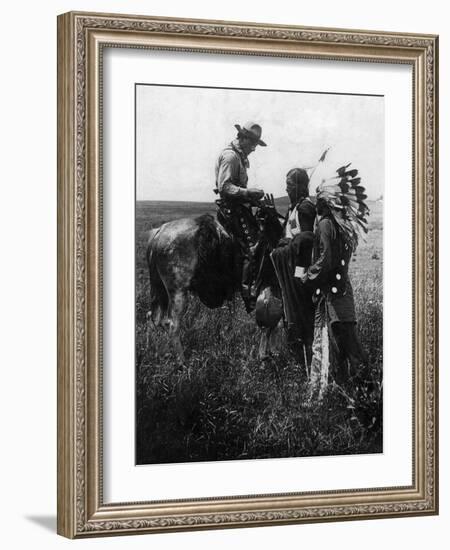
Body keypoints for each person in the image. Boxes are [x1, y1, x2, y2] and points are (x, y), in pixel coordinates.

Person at [302, 171, 369, 400]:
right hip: (340, 293)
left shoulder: (326, 225)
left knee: (347, 344)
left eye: (318, 202)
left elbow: (326, 261)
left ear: (323, 204)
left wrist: (308, 275)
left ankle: (367, 392)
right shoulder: (339, 226)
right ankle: (350, 393)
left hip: (335, 297)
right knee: (342, 345)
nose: (315, 206)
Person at [215, 121, 267, 312]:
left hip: (238, 207)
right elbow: (224, 187)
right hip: (231, 209)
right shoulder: (231, 157)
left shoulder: (239, 156)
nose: (254, 148)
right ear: (243, 138)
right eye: (252, 143)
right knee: (252, 246)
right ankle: (248, 295)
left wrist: (252, 198)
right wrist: (248, 193)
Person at [270, 168, 316, 369]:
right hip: (291, 269)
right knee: (291, 315)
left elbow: (306, 241)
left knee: (301, 315)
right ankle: (298, 362)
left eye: (289, 185)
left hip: (300, 271)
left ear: (299, 187)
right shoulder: (295, 207)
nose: (286, 188)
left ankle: (307, 362)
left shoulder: (305, 208)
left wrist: (285, 248)